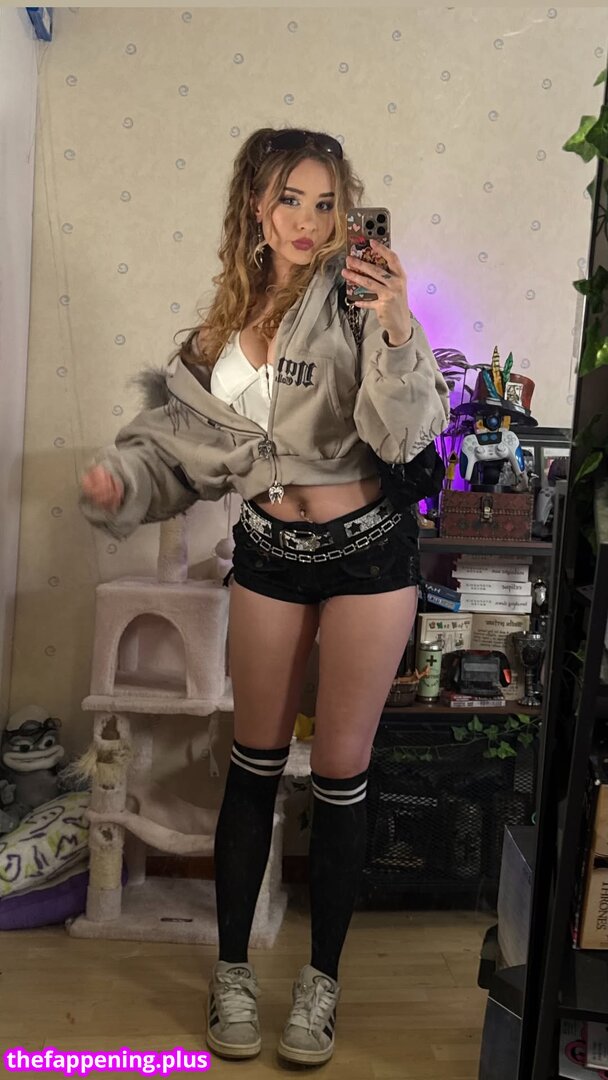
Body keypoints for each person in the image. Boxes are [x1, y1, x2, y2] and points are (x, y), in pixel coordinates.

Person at [79, 126, 450, 1066]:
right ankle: (234, 971)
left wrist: (397, 325)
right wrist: (121, 483)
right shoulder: (220, 329)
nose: (309, 221)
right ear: (256, 203)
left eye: (327, 203)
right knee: (252, 762)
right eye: (292, 199)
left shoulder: (359, 306)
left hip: (368, 556)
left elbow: (403, 436)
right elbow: (177, 453)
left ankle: (321, 982)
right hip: (271, 553)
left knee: (340, 773)